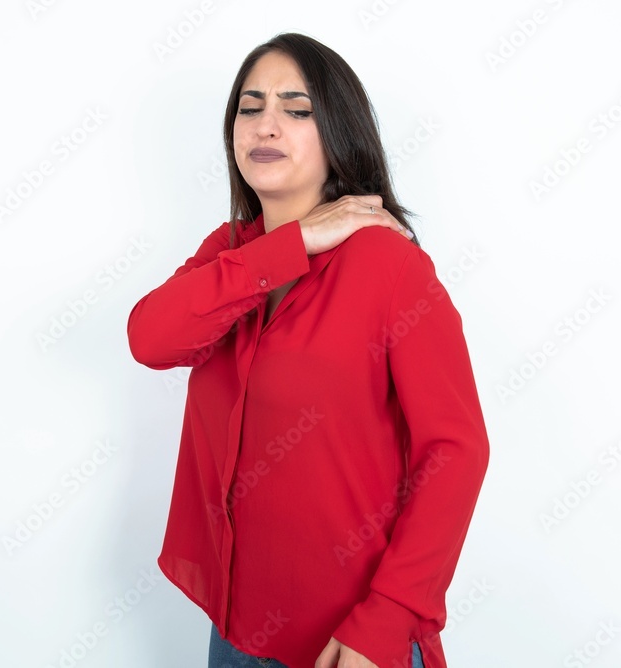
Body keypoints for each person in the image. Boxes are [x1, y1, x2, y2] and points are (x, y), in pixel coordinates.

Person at [127, 32, 490, 668]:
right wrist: (292, 244)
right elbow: (151, 339)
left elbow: (456, 450)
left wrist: (388, 617)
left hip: (349, 641)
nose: (266, 124)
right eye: (250, 107)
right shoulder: (231, 252)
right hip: (235, 630)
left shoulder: (389, 266)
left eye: (296, 109)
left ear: (338, 134)